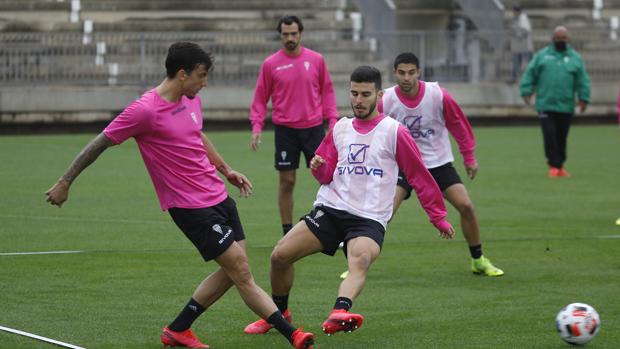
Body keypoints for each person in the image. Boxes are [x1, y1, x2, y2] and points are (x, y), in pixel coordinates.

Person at [44, 42, 315, 349]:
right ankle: (291, 332)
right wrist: (65, 181)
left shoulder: (191, 101)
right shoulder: (144, 111)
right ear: (183, 74)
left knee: (233, 270)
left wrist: (226, 170)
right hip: (189, 206)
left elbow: (196, 135)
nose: (205, 83)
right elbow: (100, 142)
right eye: (202, 76)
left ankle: (178, 329)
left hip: (217, 195)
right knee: (240, 269)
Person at [243, 65, 455, 336]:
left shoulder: (395, 131)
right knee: (279, 256)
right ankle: (279, 313)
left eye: (365, 94)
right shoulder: (340, 128)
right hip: (331, 210)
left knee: (360, 259)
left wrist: (437, 216)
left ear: (379, 95)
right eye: (354, 93)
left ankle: (340, 311)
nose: (358, 100)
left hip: (368, 218)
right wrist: (318, 166)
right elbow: (325, 174)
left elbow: (419, 176)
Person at [380, 52, 504, 277]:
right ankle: (356, 264)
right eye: (401, 73)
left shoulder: (438, 95)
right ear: (394, 73)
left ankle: (478, 260)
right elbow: (374, 130)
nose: (406, 77)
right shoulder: (386, 100)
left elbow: (458, 124)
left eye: (411, 72)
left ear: (419, 72)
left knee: (466, 206)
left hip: (438, 163)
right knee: (383, 212)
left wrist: (469, 157)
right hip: (404, 166)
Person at [249, 15, 339, 236]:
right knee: (287, 181)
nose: (290, 38)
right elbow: (261, 97)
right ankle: (287, 231)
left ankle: (332, 227)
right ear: (280, 35)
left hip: (313, 128)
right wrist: (257, 127)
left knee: (327, 179)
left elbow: (327, 90)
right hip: (285, 131)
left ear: (301, 34)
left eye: (293, 33)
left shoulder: (316, 60)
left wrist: (333, 121)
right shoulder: (271, 64)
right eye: (285, 34)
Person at [520, 26, 591, 178]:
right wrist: (526, 90)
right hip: (546, 104)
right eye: (558, 38)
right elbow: (530, 74)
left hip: (566, 105)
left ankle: (560, 165)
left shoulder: (575, 58)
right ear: (553, 39)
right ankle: (553, 165)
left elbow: (582, 80)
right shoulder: (542, 56)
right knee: (549, 135)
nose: (561, 41)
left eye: (563, 38)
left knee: (561, 136)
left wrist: (584, 98)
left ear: (568, 39)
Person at [510, 4, 533, 83]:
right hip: (518, 47)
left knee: (528, 63)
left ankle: (532, 78)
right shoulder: (515, 19)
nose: (513, 13)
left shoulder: (523, 19)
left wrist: (517, 34)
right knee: (516, 63)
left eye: (514, 11)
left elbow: (525, 31)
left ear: (517, 11)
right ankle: (514, 77)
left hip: (524, 46)